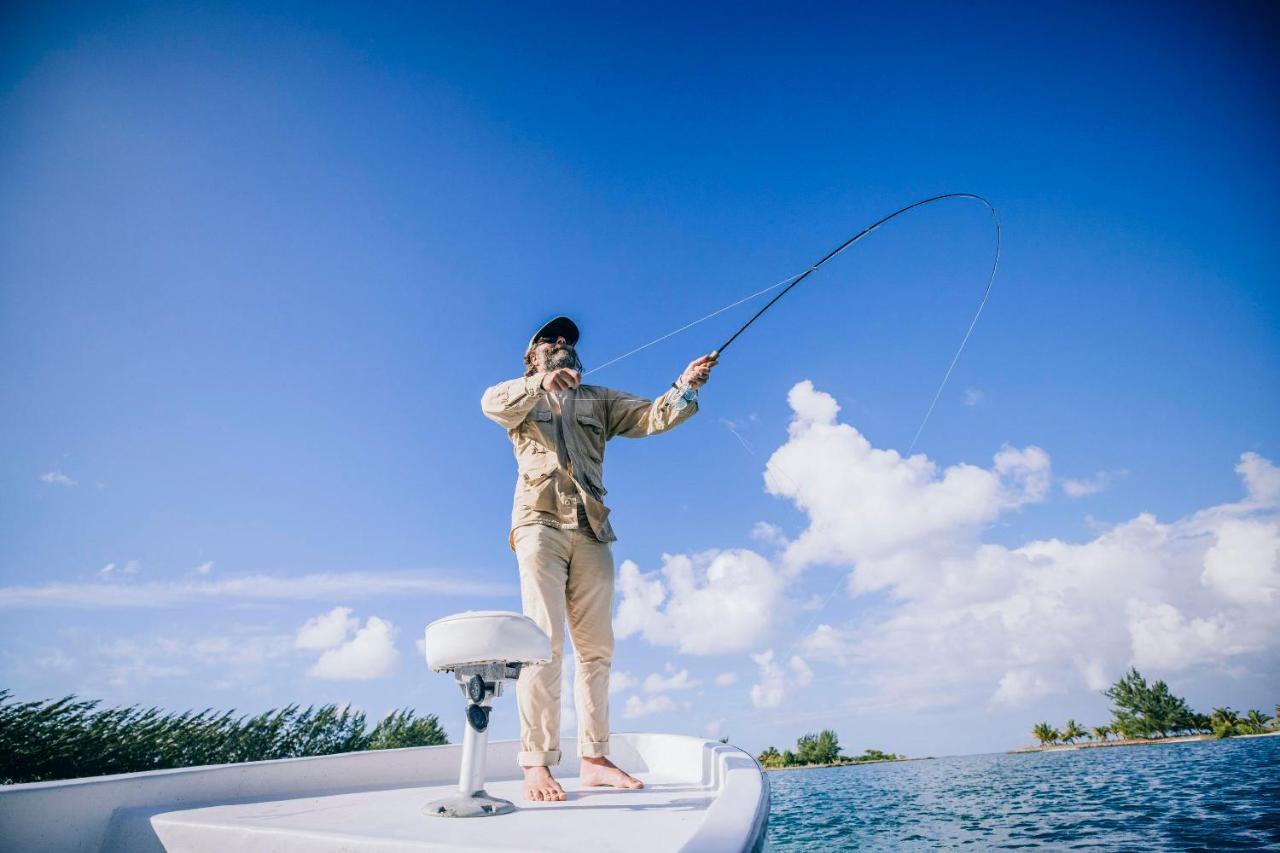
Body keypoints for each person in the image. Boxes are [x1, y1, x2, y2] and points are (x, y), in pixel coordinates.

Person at [480, 315, 715, 802]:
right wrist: (540, 384)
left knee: (597, 650)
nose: (561, 342)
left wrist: (685, 386)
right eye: (550, 339)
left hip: (592, 529)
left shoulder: (600, 399)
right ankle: (537, 764)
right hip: (538, 524)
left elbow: (653, 416)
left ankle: (594, 759)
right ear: (533, 355)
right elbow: (491, 404)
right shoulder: (516, 397)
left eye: (567, 339)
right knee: (543, 645)